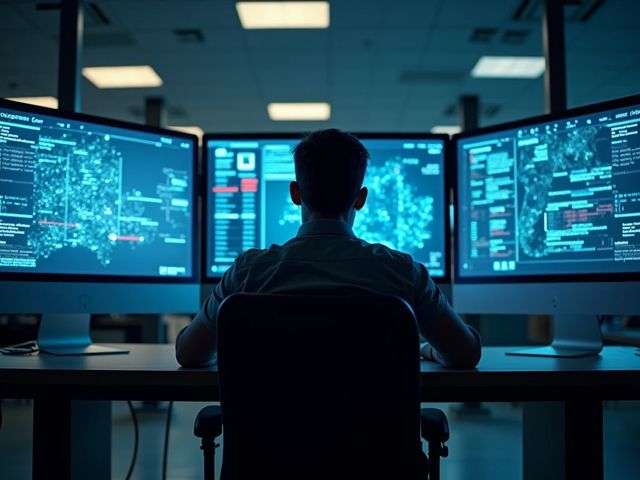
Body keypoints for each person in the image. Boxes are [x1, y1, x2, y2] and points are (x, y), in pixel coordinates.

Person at [176, 129, 481, 368]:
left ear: (295, 193)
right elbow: (464, 354)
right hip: (375, 448)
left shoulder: (248, 273)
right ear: (360, 199)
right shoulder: (403, 273)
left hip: (272, 447)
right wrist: (426, 350)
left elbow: (190, 354)